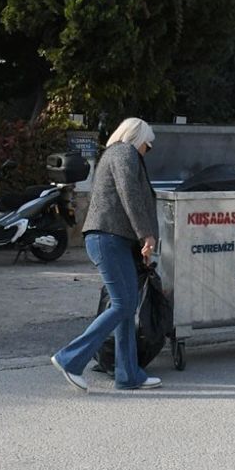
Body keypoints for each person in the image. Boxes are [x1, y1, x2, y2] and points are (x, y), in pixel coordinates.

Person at [51, 117, 162, 391]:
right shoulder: (124, 152)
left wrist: (142, 245)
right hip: (108, 239)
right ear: (138, 139)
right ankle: (70, 358)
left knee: (126, 304)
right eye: (148, 146)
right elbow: (130, 195)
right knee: (123, 304)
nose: (147, 152)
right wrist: (146, 234)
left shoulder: (113, 153)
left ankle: (128, 375)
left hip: (113, 240)